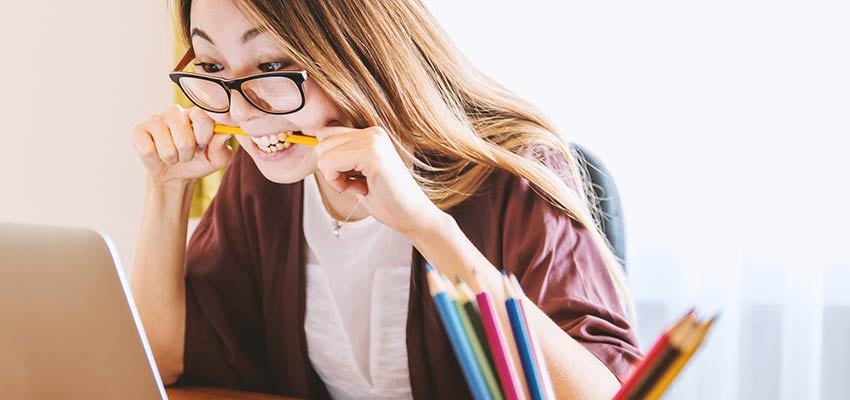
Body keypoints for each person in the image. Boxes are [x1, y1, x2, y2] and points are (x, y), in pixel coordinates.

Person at [130, 0, 642, 398]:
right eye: (215, 68)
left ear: (358, 51)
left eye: (272, 62)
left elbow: (603, 394)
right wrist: (168, 189)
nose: (243, 111)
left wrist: (426, 226)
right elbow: (162, 360)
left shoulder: (512, 173)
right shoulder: (264, 179)